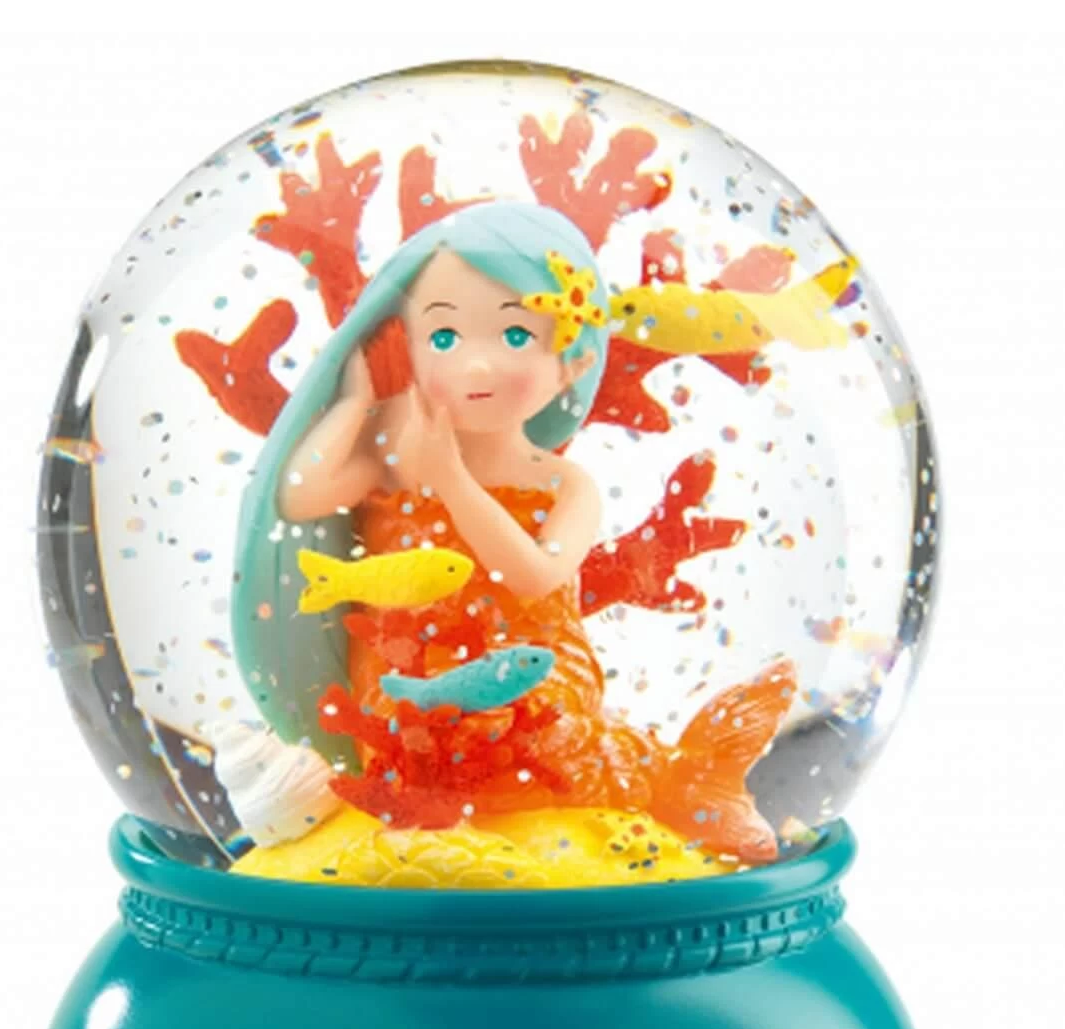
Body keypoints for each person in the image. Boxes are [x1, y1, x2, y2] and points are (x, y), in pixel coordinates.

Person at [233, 200, 793, 863]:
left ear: (574, 362)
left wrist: (451, 480)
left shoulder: (565, 485)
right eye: (444, 338)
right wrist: (353, 404)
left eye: (517, 336)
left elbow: (533, 575)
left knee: (534, 739)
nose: (476, 366)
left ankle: (688, 785)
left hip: (535, 671)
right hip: (409, 672)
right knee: (418, 744)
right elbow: (300, 494)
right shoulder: (396, 457)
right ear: (408, 345)